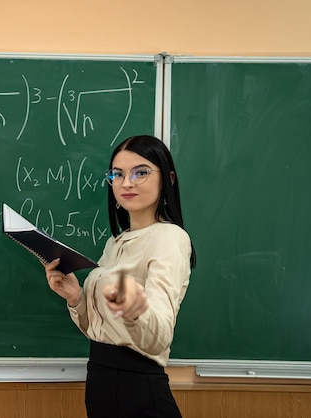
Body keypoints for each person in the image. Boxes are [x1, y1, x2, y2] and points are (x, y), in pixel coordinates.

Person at [44, 135, 196, 418]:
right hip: (101, 381)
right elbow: (98, 331)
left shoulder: (170, 238)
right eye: (117, 174)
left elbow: (159, 336)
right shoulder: (116, 243)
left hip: (138, 389)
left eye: (141, 172)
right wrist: (76, 298)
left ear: (168, 179)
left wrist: (134, 310)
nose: (127, 182)